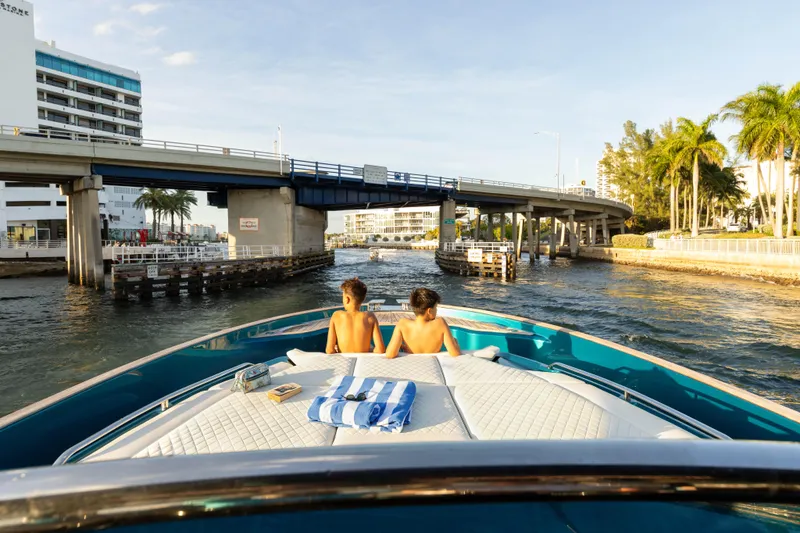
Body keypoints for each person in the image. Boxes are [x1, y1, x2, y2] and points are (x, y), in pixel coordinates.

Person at [385, 288, 460, 358]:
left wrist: (405, 347)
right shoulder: (440, 324)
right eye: (436, 308)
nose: (436, 310)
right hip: (432, 363)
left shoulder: (403, 324)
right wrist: (455, 342)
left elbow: (390, 354)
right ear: (429, 311)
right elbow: (455, 353)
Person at [326, 278, 385, 354]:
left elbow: (329, 350)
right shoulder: (370, 317)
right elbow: (380, 349)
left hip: (345, 361)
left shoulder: (336, 316)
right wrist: (369, 350)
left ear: (347, 299)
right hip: (363, 361)